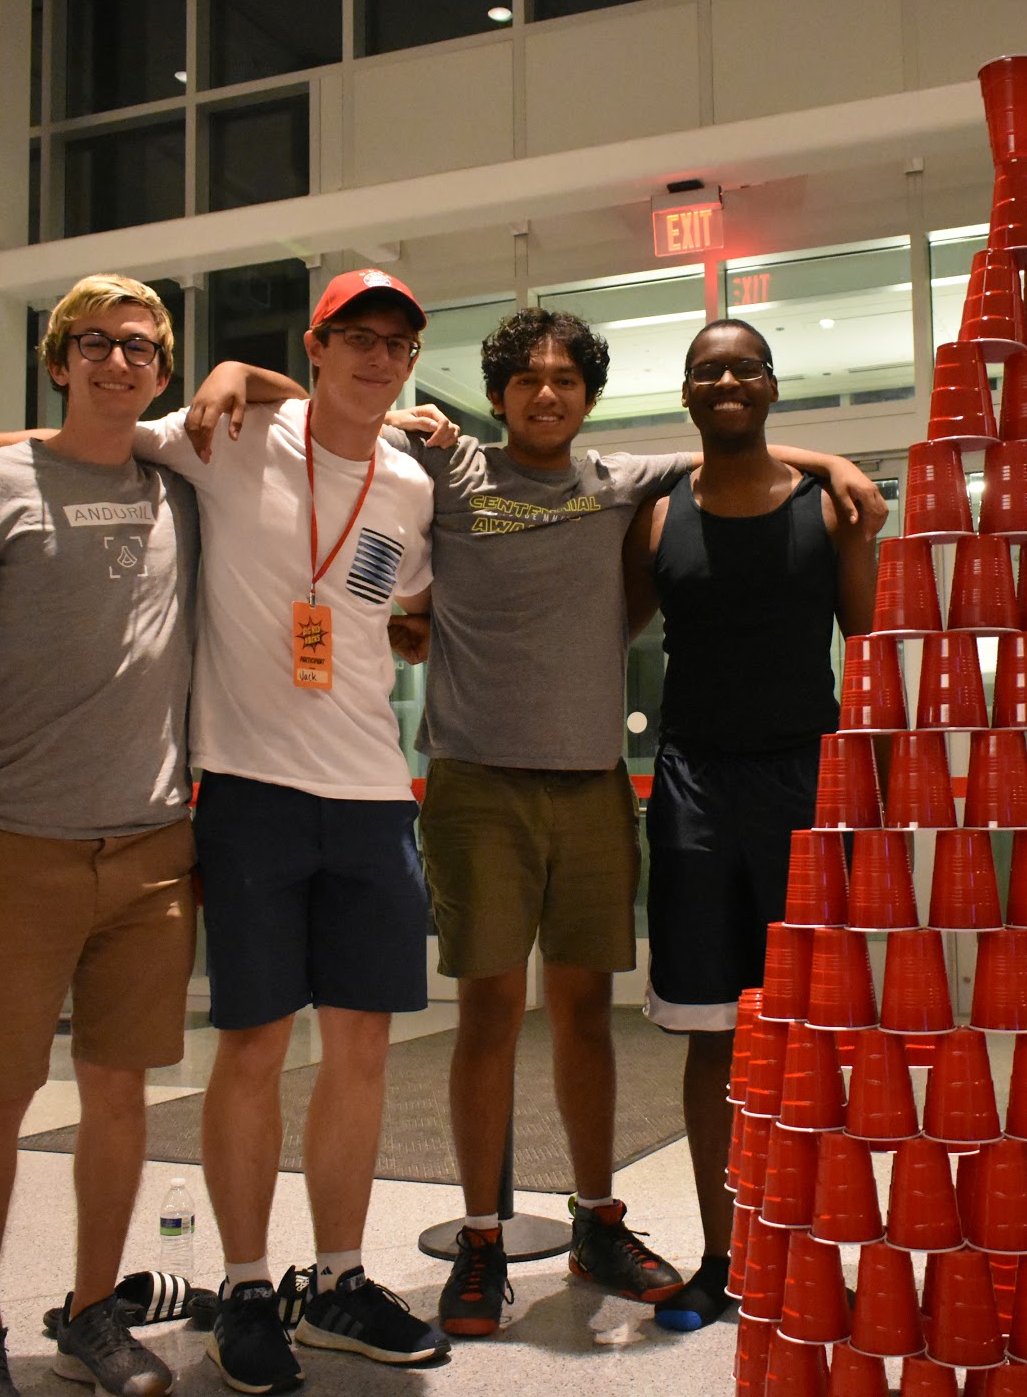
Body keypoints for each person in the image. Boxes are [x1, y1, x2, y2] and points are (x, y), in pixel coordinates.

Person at [183, 307, 883, 1341]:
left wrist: (825, 459)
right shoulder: (445, 464)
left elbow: (726, 438)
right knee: (489, 1014)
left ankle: (598, 1217)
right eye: (526, 381)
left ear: (588, 396)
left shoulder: (618, 481)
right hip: (475, 788)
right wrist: (241, 368)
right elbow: (339, 398)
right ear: (499, 392)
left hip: (593, 785)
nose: (546, 396)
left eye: (565, 381)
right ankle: (480, 1232)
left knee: (587, 1010)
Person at [0, 269, 448, 1396]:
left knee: (353, 1054)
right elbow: (94, 431)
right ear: (313, 345)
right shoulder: (228, 436)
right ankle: (242, 1288)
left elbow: (403, 609)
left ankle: (336, 1279)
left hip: (349, 800)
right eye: (354, 335)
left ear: (412, 362)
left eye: (396, 343)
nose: (375, 355)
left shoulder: (410, 483)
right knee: (241, 1051)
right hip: (233, 794)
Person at [0, 273, 201, 1397]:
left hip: (152, 853)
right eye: (95, 343)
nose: (118, 362)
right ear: (61, 357)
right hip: (16, 844)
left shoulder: (181, 486)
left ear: (162, 372)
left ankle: (90, 1314)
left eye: (140, 347)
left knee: (121, 1093)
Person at [622, 318, 879, 1329]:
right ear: (686, 395)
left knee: (816, 1038)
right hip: (690, 790)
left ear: (772, 386)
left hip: (806, 791)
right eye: (706, 371)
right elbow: (600, 630)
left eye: (744, 368)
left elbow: (874, 650)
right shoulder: (652, 516)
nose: (726, 382)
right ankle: (722, 1258)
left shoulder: (833, 508)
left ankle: (812, 1246)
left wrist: (883, 802)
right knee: (708, 1038)